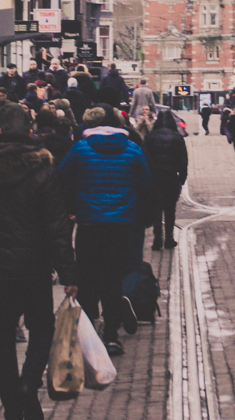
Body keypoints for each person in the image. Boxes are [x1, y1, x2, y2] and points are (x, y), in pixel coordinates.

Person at [0, 103, 77, 420]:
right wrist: (68, 274)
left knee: (1, 339)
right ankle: (28, 385)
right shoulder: (42, 169)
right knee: (42, 327)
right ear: (29, 131)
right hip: (34, 267)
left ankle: (12, 413)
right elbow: (57, 226)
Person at [58, 106, 153, 356]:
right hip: (120, 225)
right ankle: (111, 335)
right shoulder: (132, 150)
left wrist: (72, 207)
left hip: (89, 223)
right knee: (113, 279)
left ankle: (88, 335)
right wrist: (139, 216)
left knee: (87, 279)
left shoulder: (80, 148)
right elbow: (145, 186)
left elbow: (61, 179)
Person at [145, 110, 188, 251]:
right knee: (170, 209)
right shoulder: (177, 137)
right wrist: (182, 178)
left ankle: (157, 238)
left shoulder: (150, 137)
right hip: (171, 177)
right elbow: (183, 160)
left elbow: (145, 158)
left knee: (156, 208)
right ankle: (169, 238)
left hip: (154, 177)